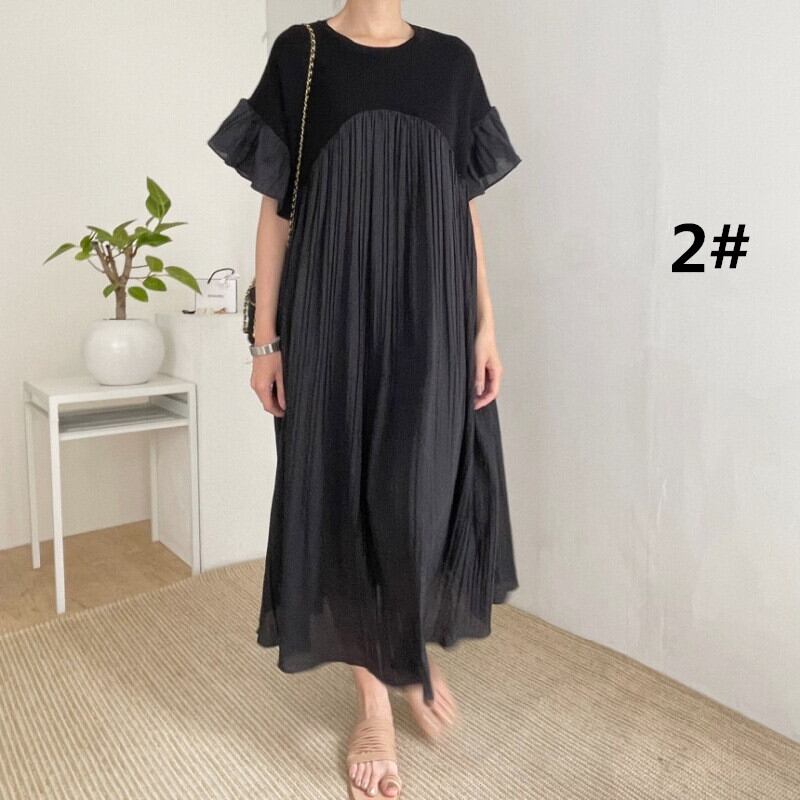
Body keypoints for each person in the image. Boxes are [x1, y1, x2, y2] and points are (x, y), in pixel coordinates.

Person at [207, 2, 521, 797]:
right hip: (332, 316)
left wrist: (485, 325)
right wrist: (265, 340)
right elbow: (277, 210)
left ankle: (405, 654)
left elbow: (462, 205)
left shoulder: (452, 62)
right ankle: (375, 701)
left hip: (433, 312)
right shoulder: (301, 52)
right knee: (342, 494)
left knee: (420, 493)